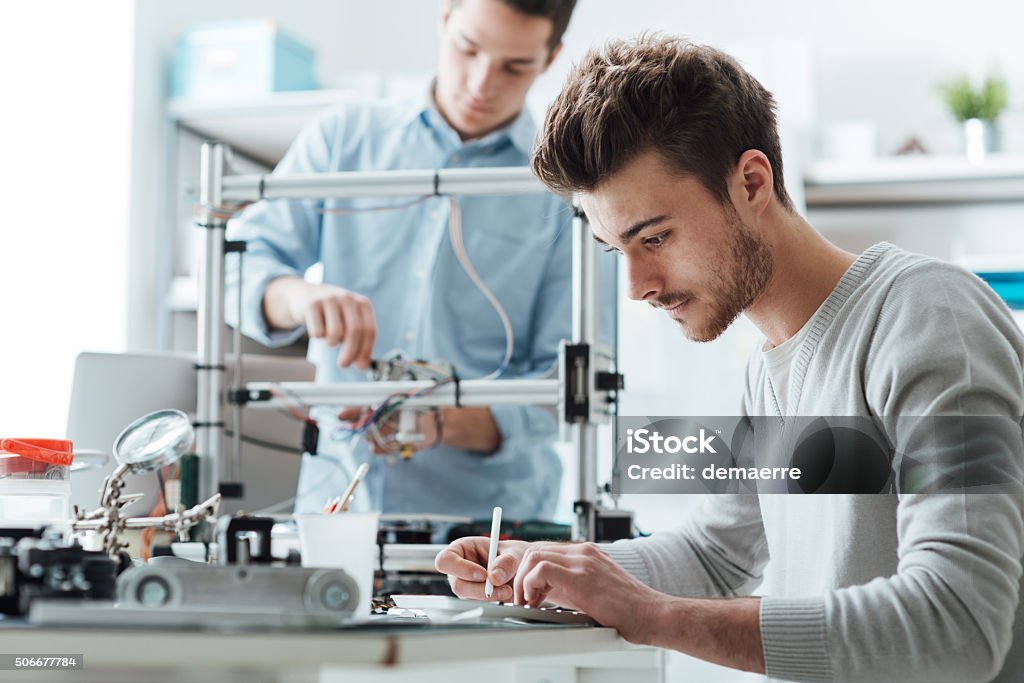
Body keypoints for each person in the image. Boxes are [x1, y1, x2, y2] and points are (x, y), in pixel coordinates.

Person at [436, 35, 1024, 682]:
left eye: (655, 236)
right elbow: (715, 555)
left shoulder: (930, 319)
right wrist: (550, 566)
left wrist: (652, 613)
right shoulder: (770, 367)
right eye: (616, 250)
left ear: (751, 182)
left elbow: (961, 625)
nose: (637, 286)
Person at [226, 0, 579, 519]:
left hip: (493, 527)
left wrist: (439, 423)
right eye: (468, 49)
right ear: (443, 20)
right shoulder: (344, 139)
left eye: (514, 66)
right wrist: (300, 297)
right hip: (335, 506)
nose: (482, 83)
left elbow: (572, 383)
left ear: (550, 58)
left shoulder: (566, 188)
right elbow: (237, 267)